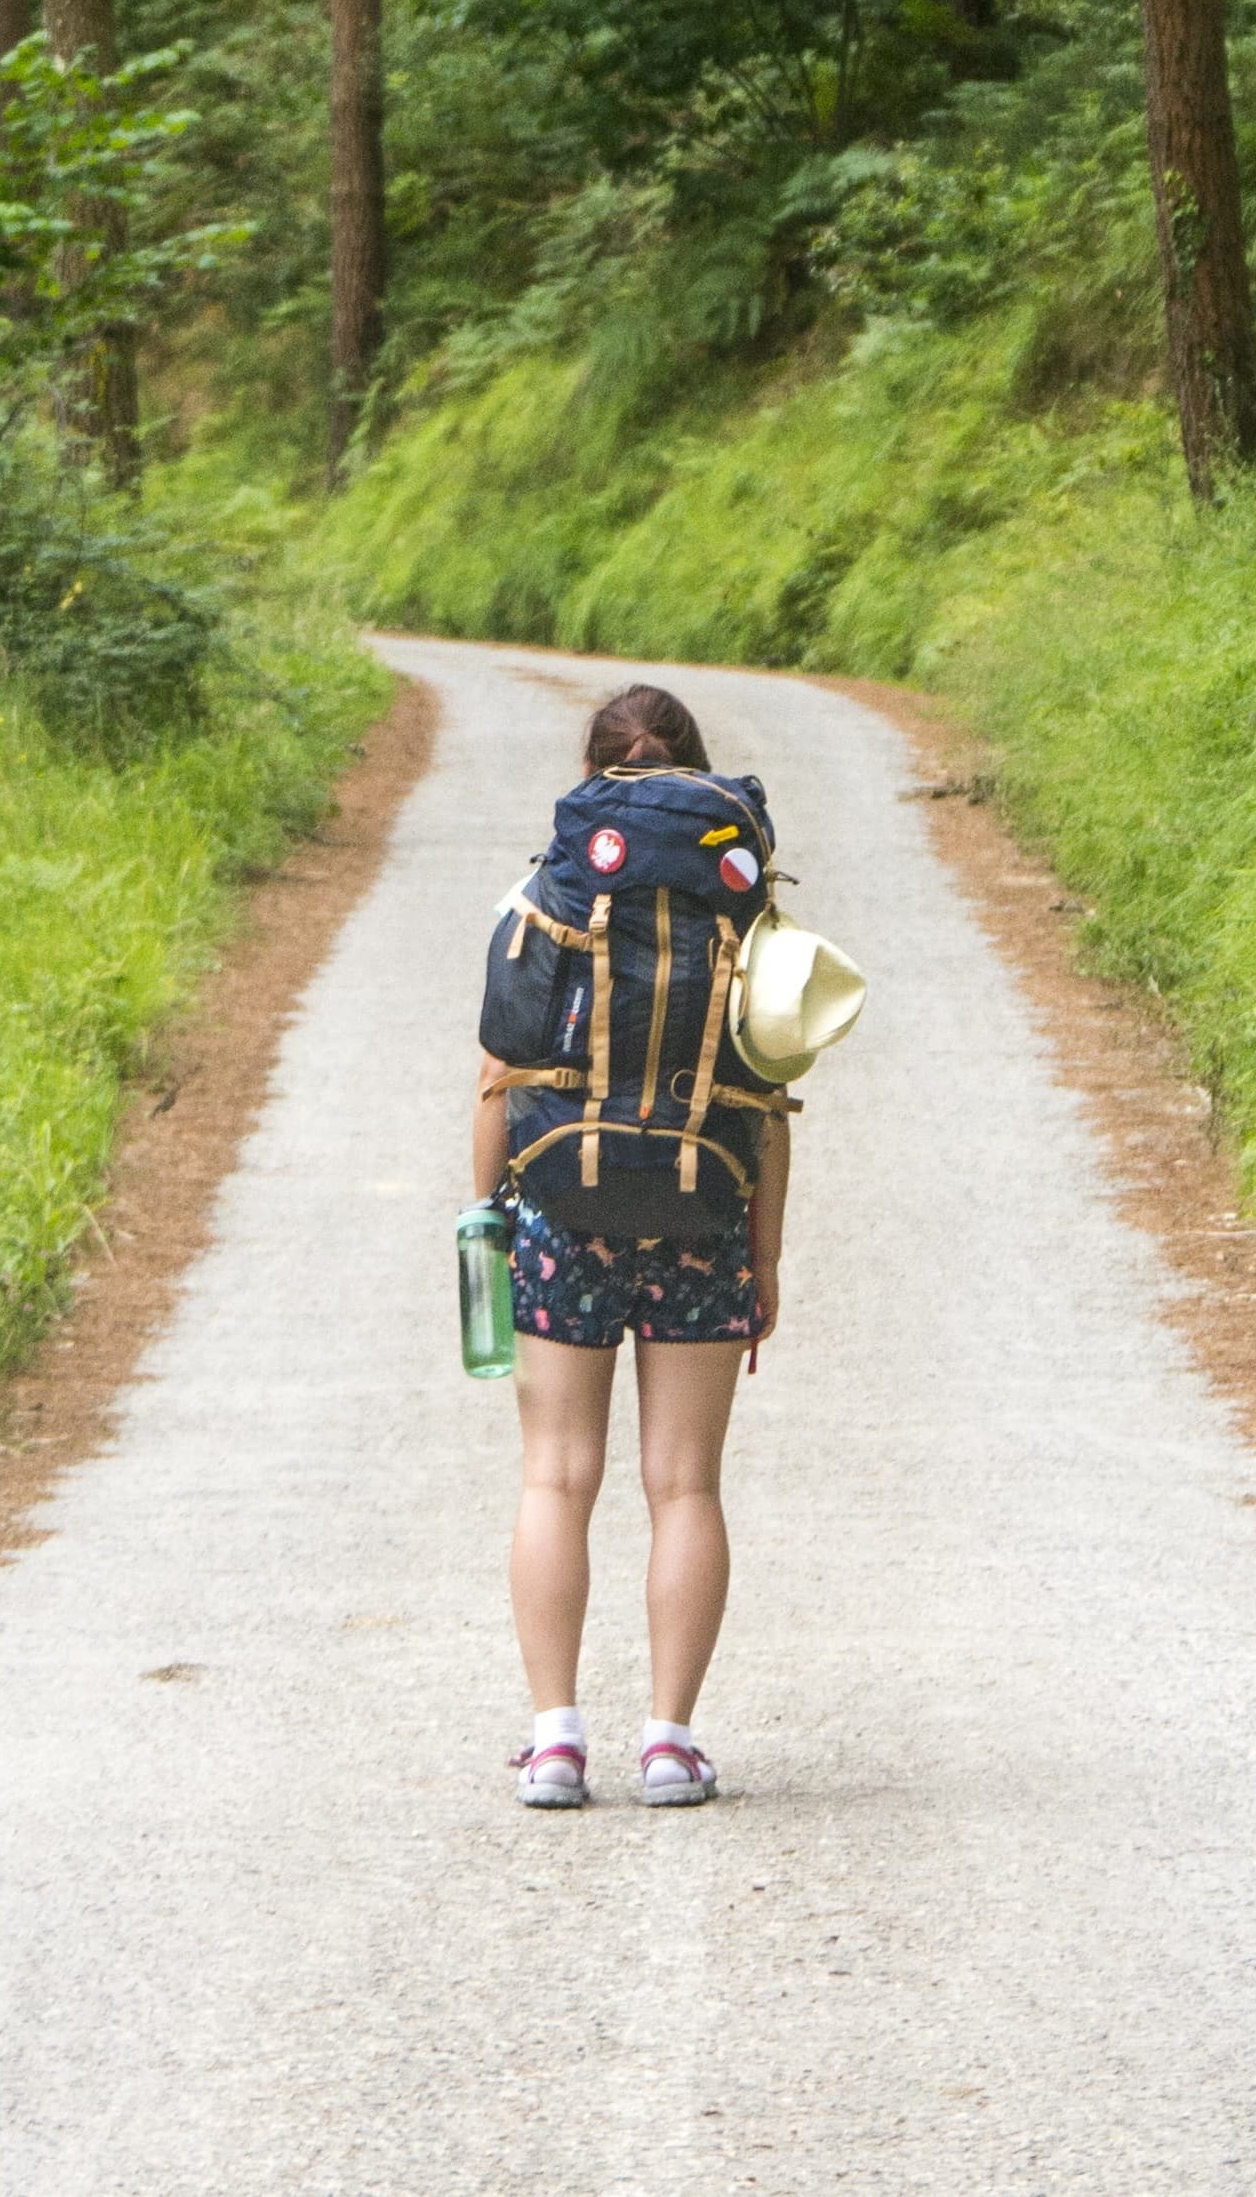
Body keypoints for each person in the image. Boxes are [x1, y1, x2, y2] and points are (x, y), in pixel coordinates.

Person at [475, 683, 789, 1811]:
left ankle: (555, 1739)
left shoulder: (545, 894)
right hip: (708, 1211)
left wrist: (486, 1213)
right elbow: (767, 1099)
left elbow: (496, 1076)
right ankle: (669, 1740)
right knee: (684, 1483)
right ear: (695, 770)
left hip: (564, 1208)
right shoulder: (744, 912)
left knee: (556, 1474)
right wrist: (766, 1257)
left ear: (595, 772)